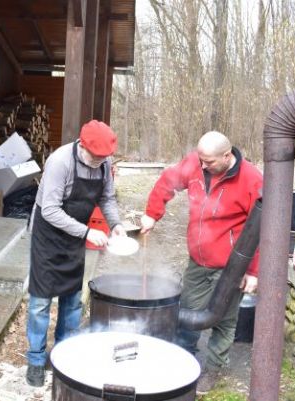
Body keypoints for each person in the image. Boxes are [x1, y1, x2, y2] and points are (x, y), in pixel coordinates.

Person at [139, 130, 262, 394]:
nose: (202, 165)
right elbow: (166, 182)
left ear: (227, 156)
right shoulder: (196, 163)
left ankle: (214, 368)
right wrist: (152, 214)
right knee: (188, 311)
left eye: (209, 162)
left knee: (224, 319)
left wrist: (253, 271)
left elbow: (263, 227)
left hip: (232, 266)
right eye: (200, 159)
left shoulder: (251, 179)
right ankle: (183, 357)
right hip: (198, 261)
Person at [25, 120, 126, 387]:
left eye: (103, 158)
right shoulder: (61, 162)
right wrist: (85, 232)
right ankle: (35, 360)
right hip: (48, 236)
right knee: (40, 303)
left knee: (72, 299)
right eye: (95, 157)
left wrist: (116, 225)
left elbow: (106, 198)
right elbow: (49, 210)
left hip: (74, 238)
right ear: (82, 146)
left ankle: (63, 354)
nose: (99, 162)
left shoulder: (103, 163)